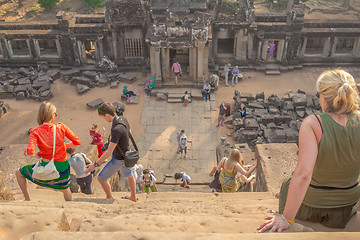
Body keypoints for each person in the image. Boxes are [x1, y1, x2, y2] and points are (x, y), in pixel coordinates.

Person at [258, 69, 360, 233]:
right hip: (348, 203)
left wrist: (286, 218)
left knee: (288, 182)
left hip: (314, 204)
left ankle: (291, 218)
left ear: (324, 97)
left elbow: (304, 174)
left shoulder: (313, 124)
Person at [16, 102, 81, 201]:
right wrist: (64, 146)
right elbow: (77, 141)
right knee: (66, 188)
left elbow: (30, 152)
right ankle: (69, 206)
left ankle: (27, 199)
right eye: (55, 114)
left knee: (19, 173)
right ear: (52, 115)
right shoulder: (61, 127)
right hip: (62, 169)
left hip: (45, 168)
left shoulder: (35, 132)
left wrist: (36, 155)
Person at [85, 102, 138, 202]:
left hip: (118, 159)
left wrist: (95, 164)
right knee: (130, 175)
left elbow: (109, 152)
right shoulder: (123, 119)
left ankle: (109, 197)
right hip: (127, 154)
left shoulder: (116, 129)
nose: (104, 120)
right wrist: (116, 141)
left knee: (101, 178)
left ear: (107, 115)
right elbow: (129, 132)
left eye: (103, 117)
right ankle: (133, 197)